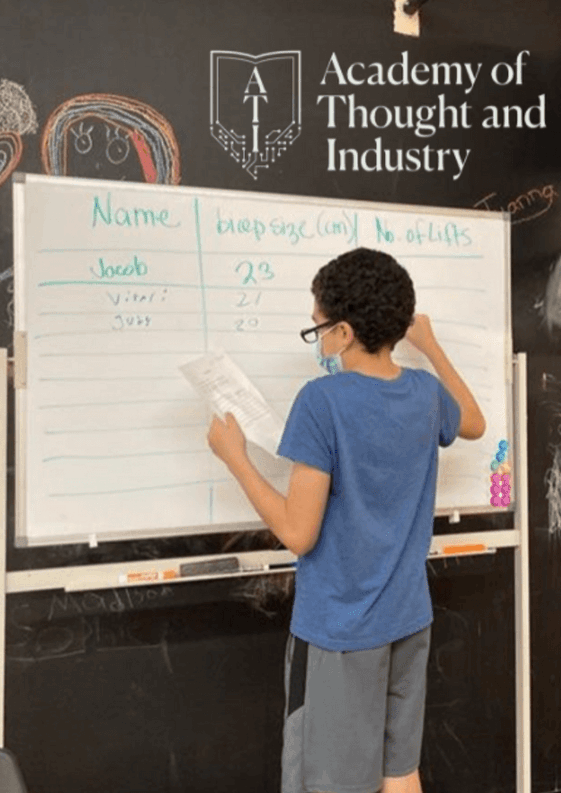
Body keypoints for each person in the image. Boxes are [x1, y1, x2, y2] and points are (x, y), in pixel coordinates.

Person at [206, 246, 486, 793]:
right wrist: (429, 346)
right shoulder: (424, 392)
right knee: (400, 773)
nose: (319, 341)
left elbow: (297, 532)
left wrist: (235, 458)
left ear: (344, 331)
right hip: (408, 618)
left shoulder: (322, 402)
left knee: (333, 783)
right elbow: (473, 422)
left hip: (340, 631)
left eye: (319, 327)